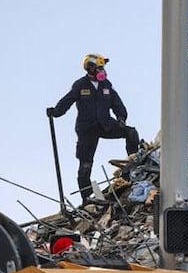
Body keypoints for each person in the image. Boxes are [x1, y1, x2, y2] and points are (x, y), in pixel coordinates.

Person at [47, 54, 140, 203]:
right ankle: (86, 196)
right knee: (86, 163)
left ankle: (132, 169)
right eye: (99, 67)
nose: (102, 70)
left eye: (103, 67)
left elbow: (117, 103)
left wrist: (121, 117)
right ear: (90, 68)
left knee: (131, 133)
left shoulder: (106, 85)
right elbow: (68, 100)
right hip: (87, 128)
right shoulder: (80, 85)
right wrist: (56, 112)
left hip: (105, 125)